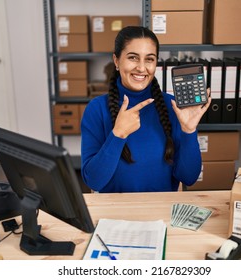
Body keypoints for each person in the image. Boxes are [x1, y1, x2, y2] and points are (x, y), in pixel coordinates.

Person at [81, 26, 211, 193]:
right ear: (116, 61)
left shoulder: (173, 107)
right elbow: (94, 181)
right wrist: (118, 134)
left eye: (149, 59)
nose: (141, 68)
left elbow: (189, 178)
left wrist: (189, 131)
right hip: (115, 213)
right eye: (133, 58)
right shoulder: (97, 109)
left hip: (160, 210)